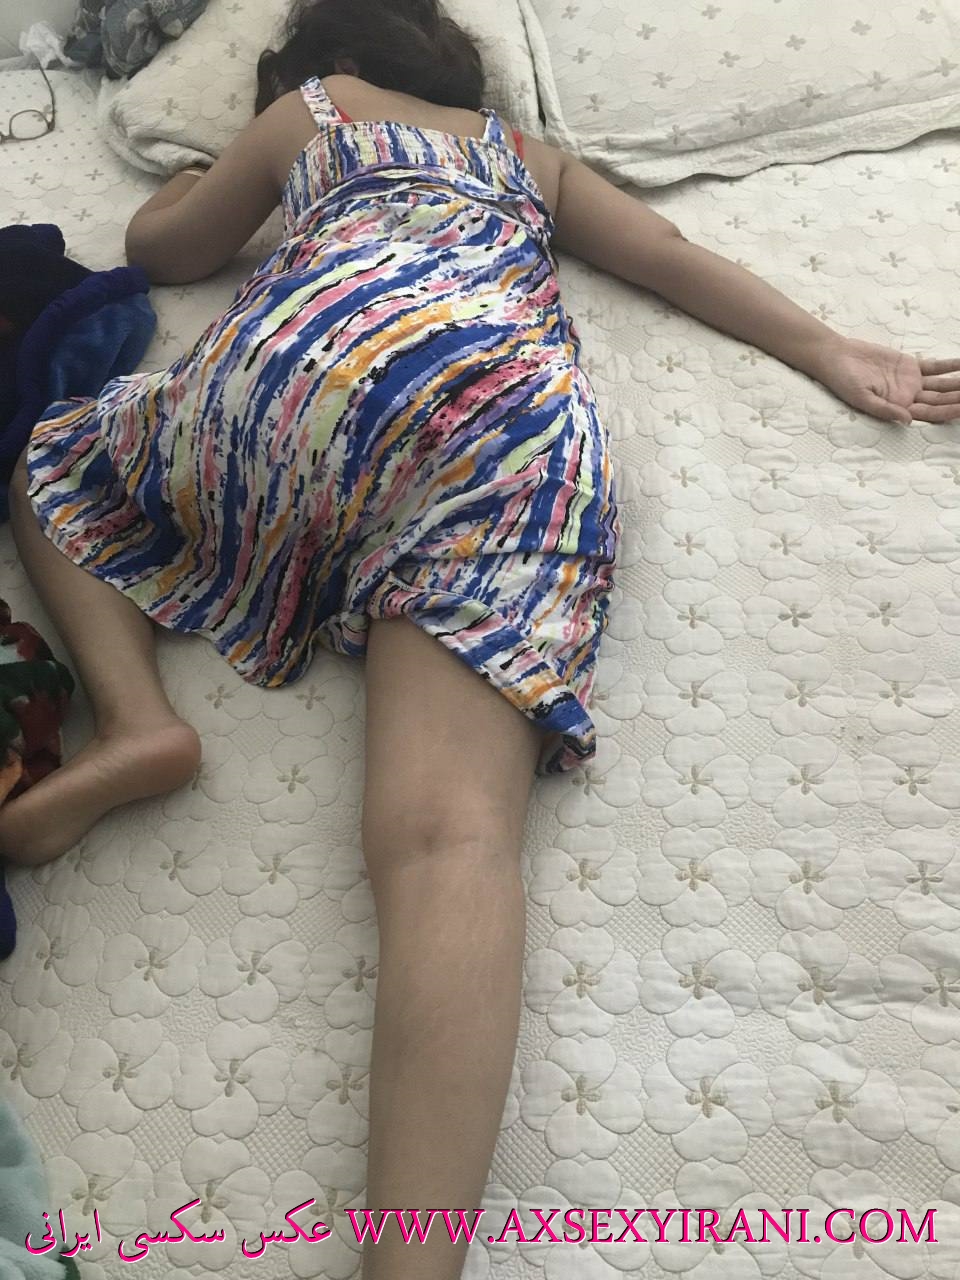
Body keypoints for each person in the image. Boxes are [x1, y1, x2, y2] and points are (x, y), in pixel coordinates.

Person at [4, 0, 960, 1275]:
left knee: (59, 463)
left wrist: (203, 179)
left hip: (319, 373)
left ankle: (135, 717)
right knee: (450, 839)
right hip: (505, 414)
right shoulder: (532, 160)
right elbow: (669, 252)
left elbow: (164, 247)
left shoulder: (315, 113)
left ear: (320, 64)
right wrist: (832, 349)